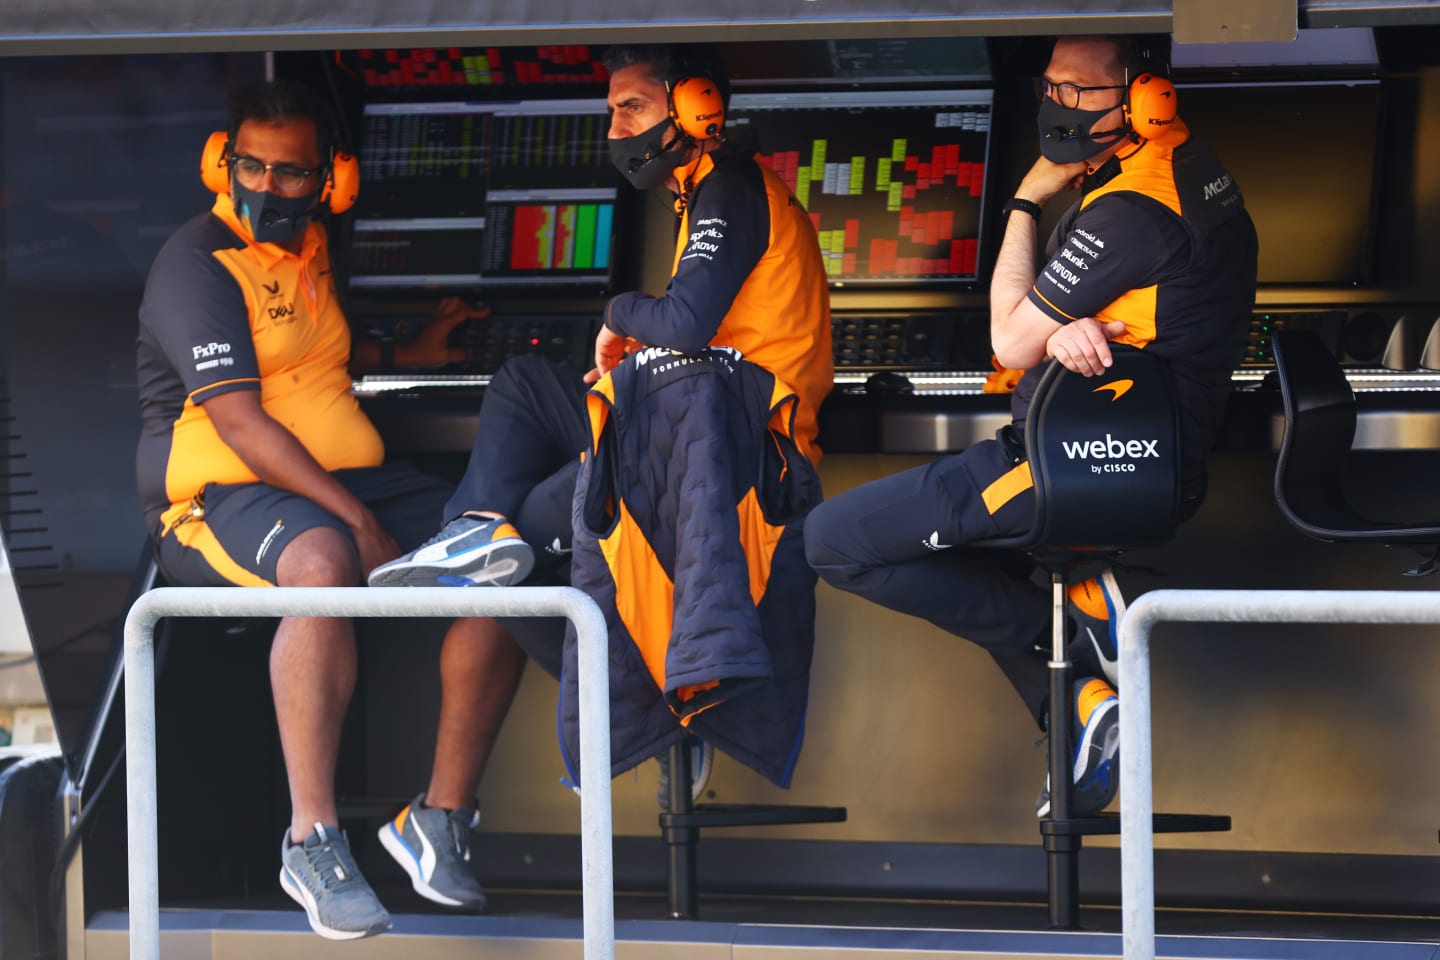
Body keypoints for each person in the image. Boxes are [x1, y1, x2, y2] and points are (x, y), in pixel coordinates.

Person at [803, 34, 1258, 818]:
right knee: (991, 570)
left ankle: (1080, 623)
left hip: (1072, 462)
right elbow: (1066, 326)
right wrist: (1057, 331)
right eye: (1050, 86)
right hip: (1140, 457)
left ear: (1148, 97)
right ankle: (1077, 707)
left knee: (833, 542)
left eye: (1079, 91)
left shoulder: (1134, 208)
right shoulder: (1193, 170)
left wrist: (1023, 200)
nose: (1057, 106)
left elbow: (1005, 339)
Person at [370, 43, 832, 798]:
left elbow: (684, 323)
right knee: (524, 382)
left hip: (744, 450)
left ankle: (663, 710)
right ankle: (477, 524)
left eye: (633, 107)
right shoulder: (701, 191)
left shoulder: (734, 187)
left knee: (514, 570)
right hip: (686, 428)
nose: (616, 128)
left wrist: (618, 314)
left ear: (693, 106)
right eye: (610, 110)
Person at [135, 80, 528, 940]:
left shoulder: (311, 246)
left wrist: (410, 350)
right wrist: (352, 516)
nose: (269, 187)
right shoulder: (194, 264)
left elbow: (307, 364)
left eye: (292, 174)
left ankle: (438, 814)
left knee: (502, 546)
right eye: (253, 168)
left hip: (333, 480)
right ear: (221, 162)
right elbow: (242, 417)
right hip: (220, 495)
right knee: (322, 564)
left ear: (330, 180)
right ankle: (311, 840)